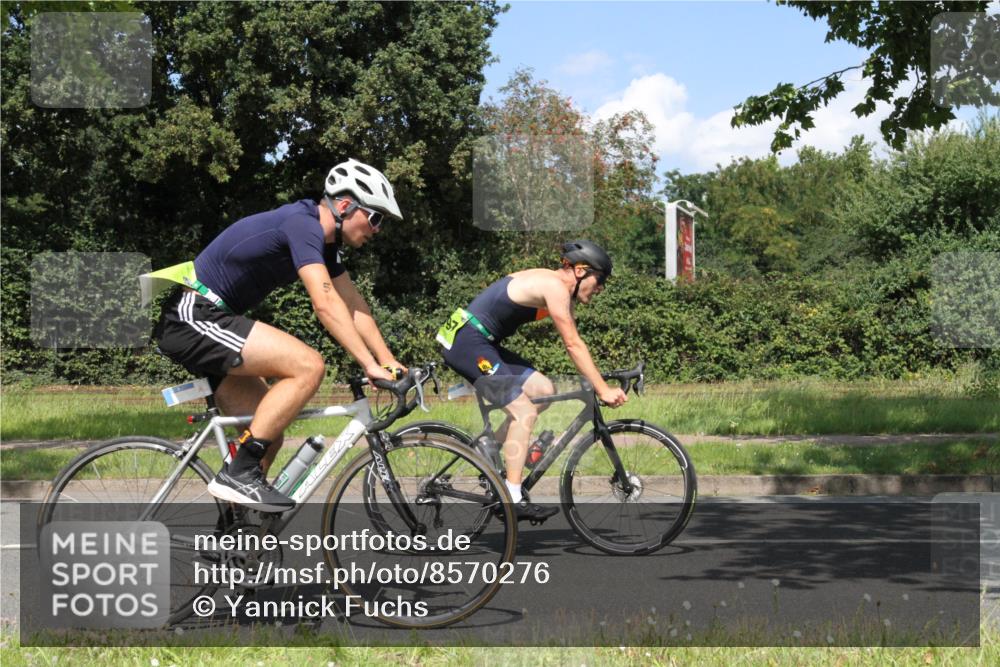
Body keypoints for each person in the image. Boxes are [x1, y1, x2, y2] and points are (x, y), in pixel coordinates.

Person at [152, 158, 404, 512]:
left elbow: (352, 303)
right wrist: (367, 363)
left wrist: (387, 360)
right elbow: (326, 303)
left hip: (213, 319)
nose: (378, 229)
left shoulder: (325, 242)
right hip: (194, 316)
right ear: (345, 206)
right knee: (308, 365)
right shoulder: (302, 225)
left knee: (268, 433)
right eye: (376, 217)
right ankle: (236, 475)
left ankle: (235, 537)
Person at [437, 240, 627, 521]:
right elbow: (573, 344)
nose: (600, 289)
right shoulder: (555, 287)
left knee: (543, 390)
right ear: (581, 271)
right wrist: (602, 388)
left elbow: (576, 339)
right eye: (600, 281)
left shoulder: (553, 284)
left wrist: (601, 377)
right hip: (468, 342)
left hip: (479, 341)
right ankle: (511, 497)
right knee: (523, 410)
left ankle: (481, 454)